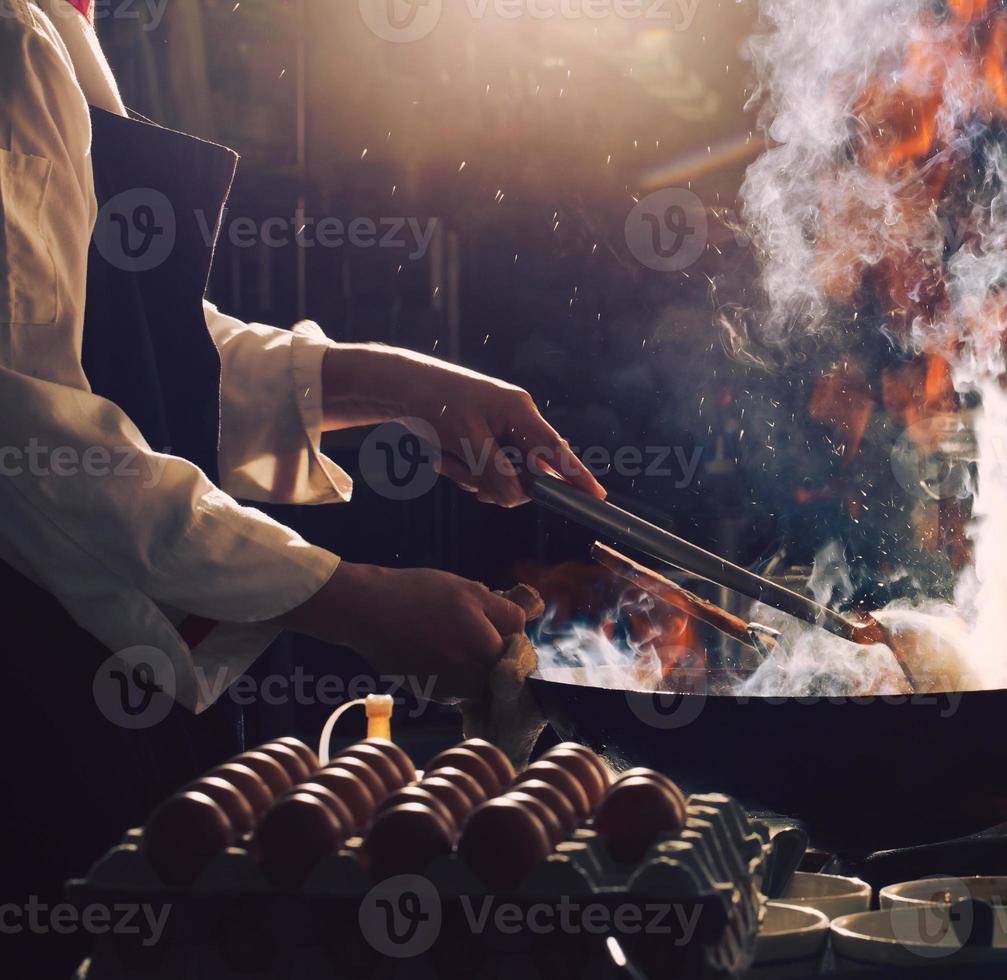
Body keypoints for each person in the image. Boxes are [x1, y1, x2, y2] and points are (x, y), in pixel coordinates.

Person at [0, 0, 604, 968]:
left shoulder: (56, 31)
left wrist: (397, 384)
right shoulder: (10, 43)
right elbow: (27, 442)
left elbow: (145, 355)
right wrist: (346, 595)